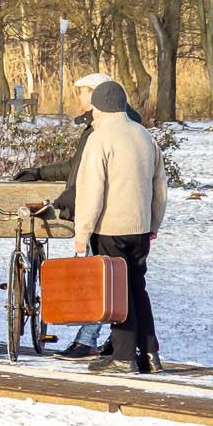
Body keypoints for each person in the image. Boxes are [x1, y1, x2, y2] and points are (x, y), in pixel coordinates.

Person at [67, 78, 167, 373]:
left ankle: (123, 357)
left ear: (100, 108)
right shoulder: (144, 135)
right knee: (138, 289)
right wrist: (153, 222)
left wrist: (81, 233)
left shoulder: (100, 139)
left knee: (116, 292)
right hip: (139, 227)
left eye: (94, 109)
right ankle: (150, 355)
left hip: (110, 228)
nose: (92, 114)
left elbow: (90, 191)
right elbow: (159, 186)